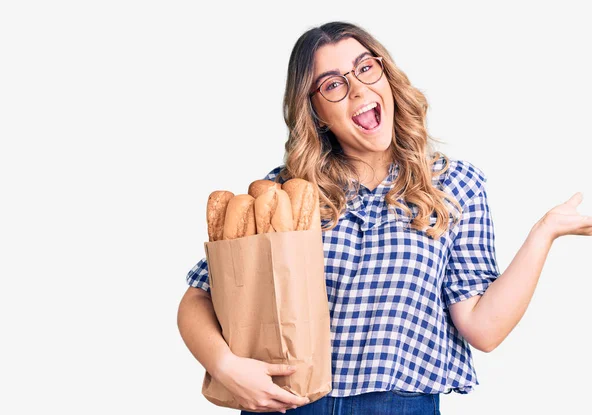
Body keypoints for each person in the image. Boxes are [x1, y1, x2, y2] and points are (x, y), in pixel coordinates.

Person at [177, 21, 592, 415]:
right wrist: (226, 366)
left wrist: (544, 233)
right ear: (317, 112)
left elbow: (483, 329)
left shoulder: (454, 187)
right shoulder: (288, 192)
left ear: (386, 78)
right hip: (287, 404)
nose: (358, 88)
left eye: (365, 68)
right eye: (334, 84)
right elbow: (199, 296)